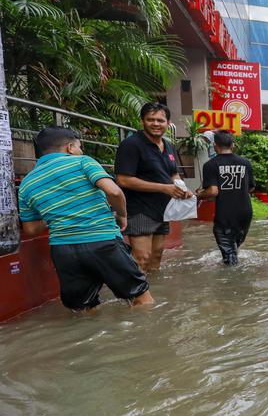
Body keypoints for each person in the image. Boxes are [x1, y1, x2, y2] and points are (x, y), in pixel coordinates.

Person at [18, 127, 153, 310]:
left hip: (63, 250)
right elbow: (113, 191)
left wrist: (56, 214)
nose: (81, 151)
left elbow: (31, 229)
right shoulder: (82, 162)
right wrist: (122, 215)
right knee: (141, 298)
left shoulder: (27, 183)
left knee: (83, 308)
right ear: (70, 147)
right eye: (80, 147)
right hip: (102, 241)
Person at [114, 101, 192, 273]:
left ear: (167, 123)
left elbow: (173, 174)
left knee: (156, 257)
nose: (156, 124)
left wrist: (182, 188)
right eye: (151, 120)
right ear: (142, 121)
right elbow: (123, 180)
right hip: (139, 209)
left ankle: (155, 296)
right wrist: (164, 188)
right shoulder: (131, 145)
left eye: (160, 120)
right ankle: (137, 298)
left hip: (162, 209)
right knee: (142, 258)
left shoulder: (168, 145)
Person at [196, 131, 254, 266]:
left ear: (215, 146)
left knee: (230, 257)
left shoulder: (211, 165)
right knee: (234, 248)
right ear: (232, 145)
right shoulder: (245, 163)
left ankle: (232, 284)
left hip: (226, 215)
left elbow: (212, 191)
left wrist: (198, 195)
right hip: (245, 214)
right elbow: (250, 188)